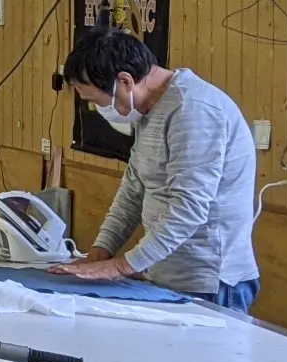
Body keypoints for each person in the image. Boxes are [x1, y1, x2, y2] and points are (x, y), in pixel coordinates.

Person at [48, 28, 262, 312]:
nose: (99, 109)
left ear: (125, 81)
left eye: (97, 101)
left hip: (209, 283)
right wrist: (101, 252)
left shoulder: (193, 110)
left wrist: (120, 267)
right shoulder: (148, 109)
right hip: (165, 274)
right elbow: (134, 190)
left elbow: (189, 208)